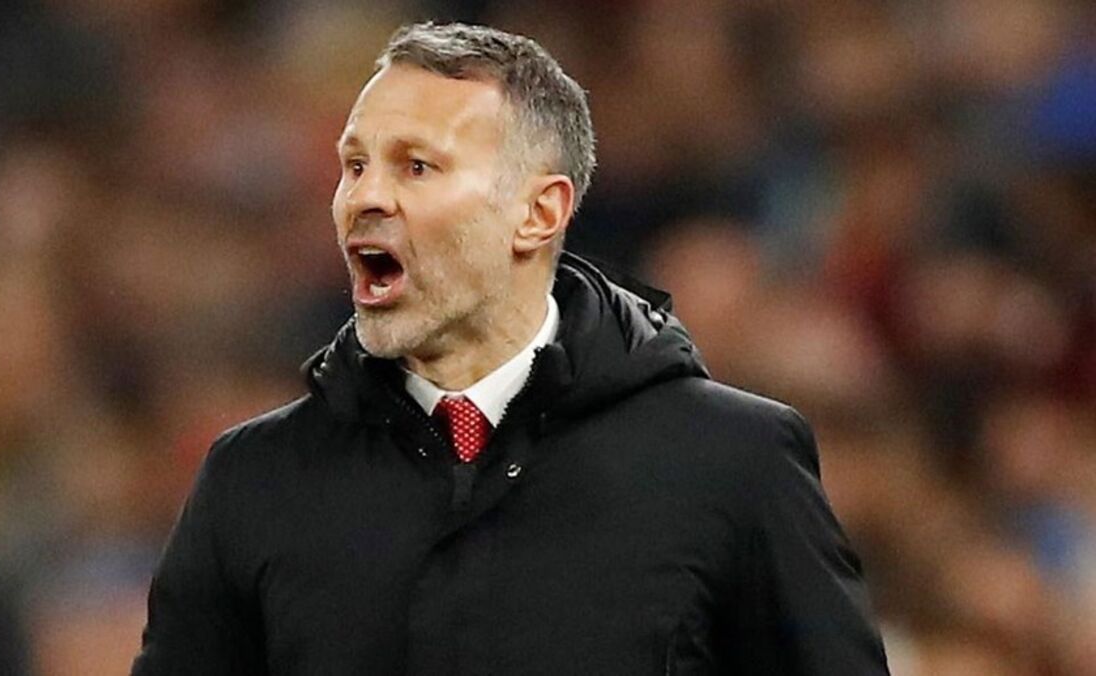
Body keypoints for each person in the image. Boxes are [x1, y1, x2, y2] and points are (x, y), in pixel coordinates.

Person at [131, 22, 890, 675]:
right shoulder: (254, 480)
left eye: (416, 166)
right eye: (355, 165)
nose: (364, 197)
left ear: (538, 212)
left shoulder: (734, 463)